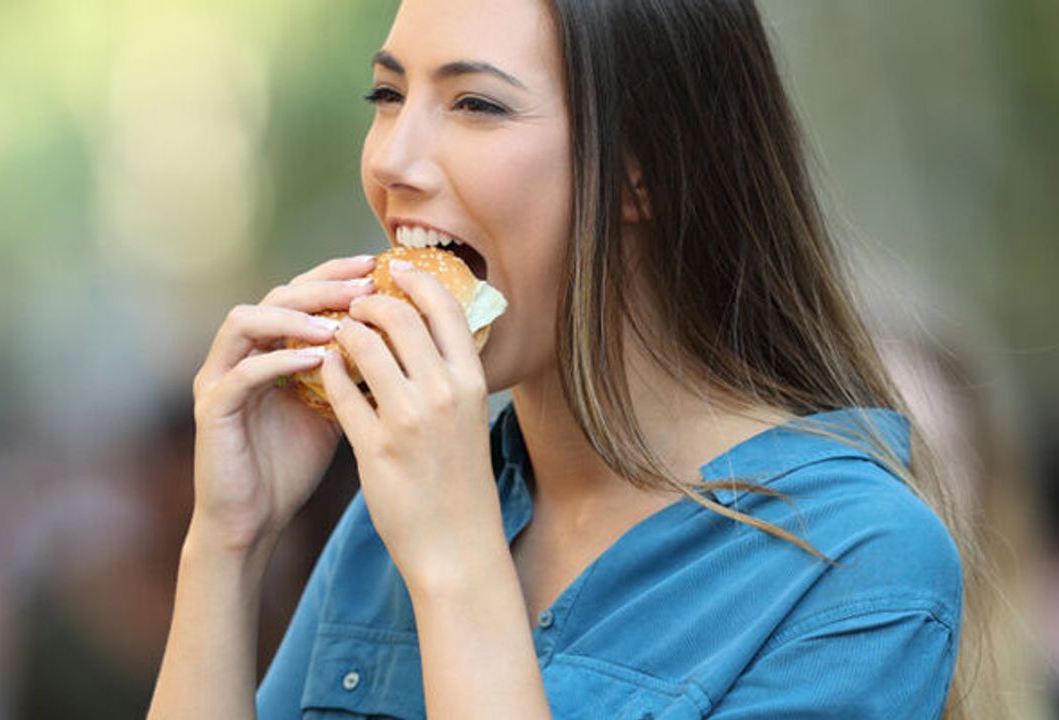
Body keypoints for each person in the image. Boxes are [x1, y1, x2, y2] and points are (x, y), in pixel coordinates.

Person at [149, 1, 997, 718]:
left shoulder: (858, 565)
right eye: (387, 93)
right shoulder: (392, 515)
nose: (391, 161)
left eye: (476, 103)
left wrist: (456, 567)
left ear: (644, 169)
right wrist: (227, 542)